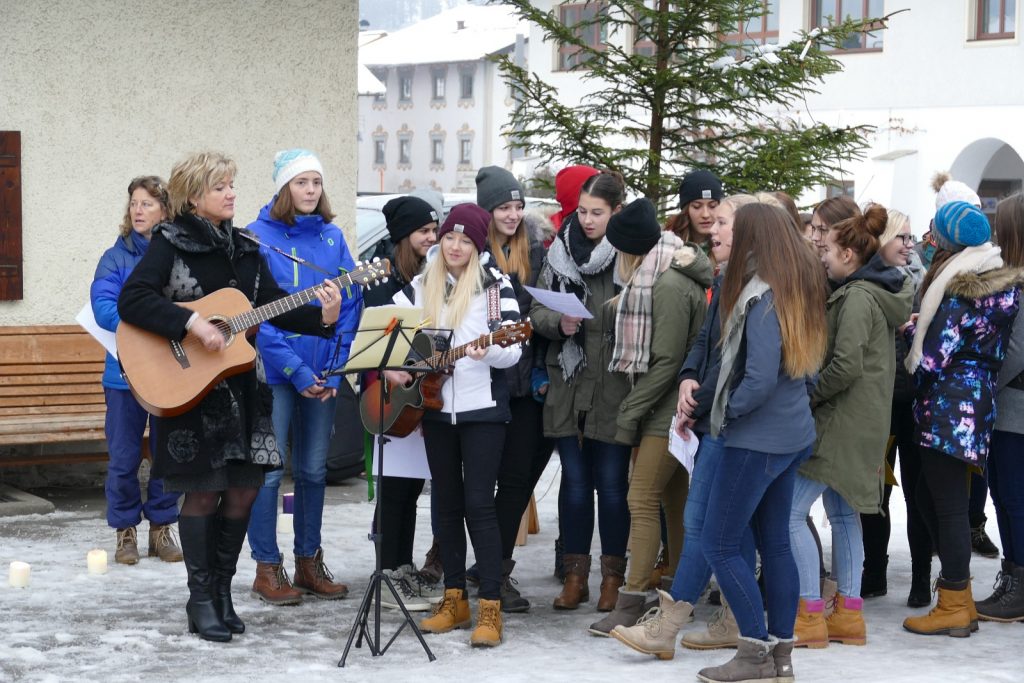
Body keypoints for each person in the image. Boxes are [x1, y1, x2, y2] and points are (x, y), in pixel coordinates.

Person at [118, 151, 342, 643]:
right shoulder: (169, 243)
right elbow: (132, 300)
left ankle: (221, 592)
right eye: (220, 186)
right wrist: (192, 321)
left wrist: (322, 317)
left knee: (242, 489)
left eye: (232, 185)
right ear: (194, 195)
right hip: (192, 391)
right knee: (203, 491)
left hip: (245, 389)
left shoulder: (245, 246)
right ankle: (200, 600)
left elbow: (270, 306)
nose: (231, 193)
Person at [695, 203, 828, 683]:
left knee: (720, 542)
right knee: (773, 543)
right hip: (790, 433)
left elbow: (757, 379)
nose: (718, 229)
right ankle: (781, 656)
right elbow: (806, 370)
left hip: (758, 438)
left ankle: (753, 653)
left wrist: (724, 413)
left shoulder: (762, 295)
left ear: (753, 238)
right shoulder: (798, 285)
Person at [386, 203, 522, 648]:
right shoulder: (422, 285)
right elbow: (389, 330)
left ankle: (490, 607)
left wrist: (491, 352)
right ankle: (454, 598)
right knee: (444, 505)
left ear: (478, 245)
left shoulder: (496, 286)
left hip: (483, 412)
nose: (456, 246)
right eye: (449, 237)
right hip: (435, 409)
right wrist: (394, 366)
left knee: (479, 505)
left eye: (466, 240)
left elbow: (514, 347)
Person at [790, 205, 913, 649]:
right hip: (861, 421)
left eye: (828, 248)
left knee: (790, 513)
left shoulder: (858, 297)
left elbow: (845, 366)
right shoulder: (868, 291)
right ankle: (849, 614)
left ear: (849, 255)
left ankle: (809, 613)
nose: (821, 255)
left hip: (842, 422)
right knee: (843, 514)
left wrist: (810, 394)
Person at [589, 198, 712, 635]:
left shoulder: (667, 286)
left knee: (640, 500)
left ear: (630, 251)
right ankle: (677, 596)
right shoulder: (660, 275)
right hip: (671, 412)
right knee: (673, 502)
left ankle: (632, 599)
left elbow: (666, 361)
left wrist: (630, 409)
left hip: (668, 414)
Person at [245, 149, 362, 605]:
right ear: (283, 188)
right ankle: (266, 567)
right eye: (301, 182)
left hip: (324, 375)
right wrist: (295, 370)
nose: (311, 190)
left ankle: (309, 562)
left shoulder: (333, 238)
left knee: (314, 472)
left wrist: (334, 366)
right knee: (271, 474)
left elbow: (348, 305)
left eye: (316, 182)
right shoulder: (258, 237)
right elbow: (260, 316)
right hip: (276, 375)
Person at [902, 201, 1020, 638]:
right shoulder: (1002, 284)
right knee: (928, 494)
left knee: (947, 504)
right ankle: (959, 594)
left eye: (936, 236)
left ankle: (955, 601)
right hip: (977, 398)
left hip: (950, 404)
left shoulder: (958, 291)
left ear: (949, 243)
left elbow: (932, 357)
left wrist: (911, 331)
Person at [531, 172, 632, 612]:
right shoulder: (558, 252)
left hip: (613, 386)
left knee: (611, 487)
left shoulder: (630, 256)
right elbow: (537, 310)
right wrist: (560, 322)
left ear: (616, 212)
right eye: (583, 212)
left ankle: (613, 577)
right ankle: (575, 576)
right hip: (568, 384)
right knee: (574, 485)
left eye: (598, 213)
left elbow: (645, 317)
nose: (588, 221)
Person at [473, 165, 553, 613]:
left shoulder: (536, 251)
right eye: (504, 206)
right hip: (486, 382)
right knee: (485, 484)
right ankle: (490, 570)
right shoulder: (472, 253)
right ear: (487, 210)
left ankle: (495, 566)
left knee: (519, 480)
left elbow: (543, 314)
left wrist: (539, 368)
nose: (513, 214)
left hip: (527, 387)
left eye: (518, 206)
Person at [90, 176, 182, 565]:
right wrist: (153, 322)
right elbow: (103, 307)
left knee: (168, 453)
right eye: (134, 203)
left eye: (147, 203)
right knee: (124, 456)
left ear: (165, 210)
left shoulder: (177, 253)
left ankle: (162, 527)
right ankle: (125, 530)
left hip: (172, 374)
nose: (138, 210)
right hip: (124, 376)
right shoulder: (115, 258)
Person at [363, 194, 440, 612]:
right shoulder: (383, 285)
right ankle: (389, 570)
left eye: (434, 230)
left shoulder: (434, 279)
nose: (432, 238)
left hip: (424, 399)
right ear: (403, 237)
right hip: (392, 400)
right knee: (395, 489)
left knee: (411, 488)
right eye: (423, 232)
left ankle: (404, 566)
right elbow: (369, 343)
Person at [859, 209, 932, 607]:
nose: (909, 244)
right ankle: (874, 570)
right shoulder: (865, 283)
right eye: (900, 238)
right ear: (880, 242)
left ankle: (922, 574)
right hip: (879, 403)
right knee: (876, 492)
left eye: (910, 237)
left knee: (918, 493)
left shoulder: (923, 282)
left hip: (916, 403)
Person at [980, 192, 1024, 622]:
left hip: (1016, 410)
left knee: (1014, 497)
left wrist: (981, 377)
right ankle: (1012, 578)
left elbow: (1016, 349)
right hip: (1008, 409)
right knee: (1005, 496)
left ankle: (1020, 585)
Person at [667, 170, 723, 250]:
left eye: (712, 206)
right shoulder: (666, 245)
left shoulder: (731, 247)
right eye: (697, 206)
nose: (705, 214)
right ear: (686, 210)